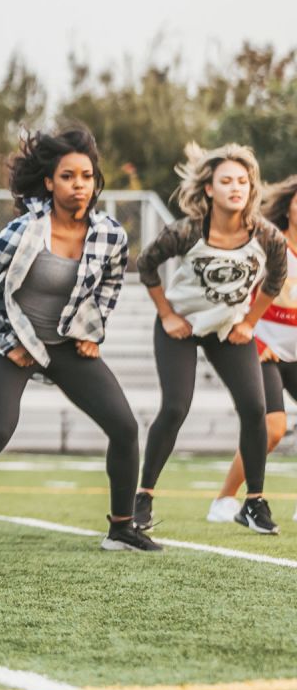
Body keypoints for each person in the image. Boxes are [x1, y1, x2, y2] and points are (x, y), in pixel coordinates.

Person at [0, 127, 159, 554]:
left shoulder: (110, 234)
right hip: (16, 342)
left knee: (125, 427)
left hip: (66, 345)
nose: (79, 185)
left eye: (86, 176)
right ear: (50, 182)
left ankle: (122, 528)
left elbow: (110, 284)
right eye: (68, 176)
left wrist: (94, 331)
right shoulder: (26, 230)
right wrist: (5, 340)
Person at [135, 143, 286, 534]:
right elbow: (146, 264)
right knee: (175, 408)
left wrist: (249, 321)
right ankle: (143, 496)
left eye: (243, 181)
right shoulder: (186, 231)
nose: (236, 187)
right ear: (209, 189)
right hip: (181, 328)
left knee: (255, 409)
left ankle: (253, 504)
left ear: (251, 188)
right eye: (226, 181)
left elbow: (276, 278)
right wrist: (166, 314)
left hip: (227, 330)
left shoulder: (266, 235)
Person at [206, 175, 297, 524]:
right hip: (263, 350)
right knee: (273, 428)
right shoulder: (268, 246)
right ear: (288, 206)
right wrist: (255, 339)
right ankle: (225, 499)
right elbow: (238, 297)